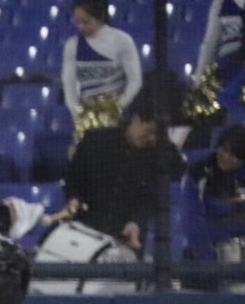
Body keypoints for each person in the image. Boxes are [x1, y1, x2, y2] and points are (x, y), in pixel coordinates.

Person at [62, 106, 184, 252]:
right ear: (137, 120)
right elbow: (74, 178)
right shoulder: (97, 140)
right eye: (149, 131)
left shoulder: (158, 155)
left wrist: (136, 222)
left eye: (158, 135)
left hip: (128, 236)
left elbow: (151, 197)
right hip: (87, 229)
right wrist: (74, 199)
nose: (152, 138)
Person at [183, 125, 245, 259]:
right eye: (224, 149)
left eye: (234, 155)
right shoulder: (198, 173)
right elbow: (191, 221)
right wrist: (210, 258)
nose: (225, 156)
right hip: (204, 253)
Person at [61, 0, 143, 139]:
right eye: (78, 22)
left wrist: (117, 107)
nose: (81, 27)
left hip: (118, 117)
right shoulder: (72, 46)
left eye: (86, 21)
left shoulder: (122, 41)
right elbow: (69, 84)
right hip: (86, 118)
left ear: (100, 17)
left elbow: (135, 80)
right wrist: (78, 113)